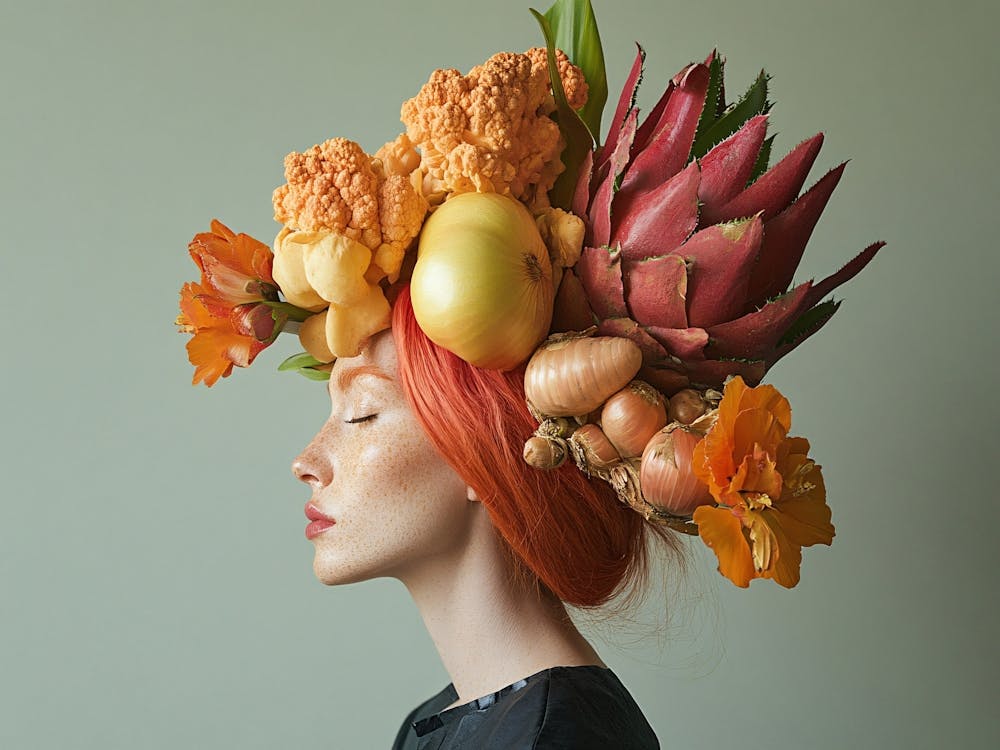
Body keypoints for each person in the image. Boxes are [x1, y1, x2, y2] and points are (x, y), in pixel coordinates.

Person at [292, 289, 669, 749]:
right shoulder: (436, 721)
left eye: (361, 414)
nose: (306, 462)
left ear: (483, 455)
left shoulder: (555, 737)